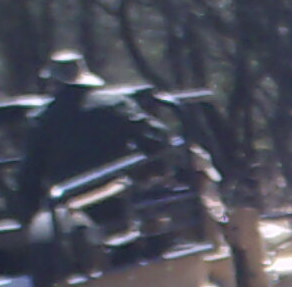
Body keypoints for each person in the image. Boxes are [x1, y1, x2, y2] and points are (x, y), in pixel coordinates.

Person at [14, 51, 180, 208]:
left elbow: (30, 174)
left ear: (53, 82)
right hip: (118, 195)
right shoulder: (116, 105)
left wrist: (29, 209)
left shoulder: (41, 119)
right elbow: (158, 137)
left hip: (70, 201)